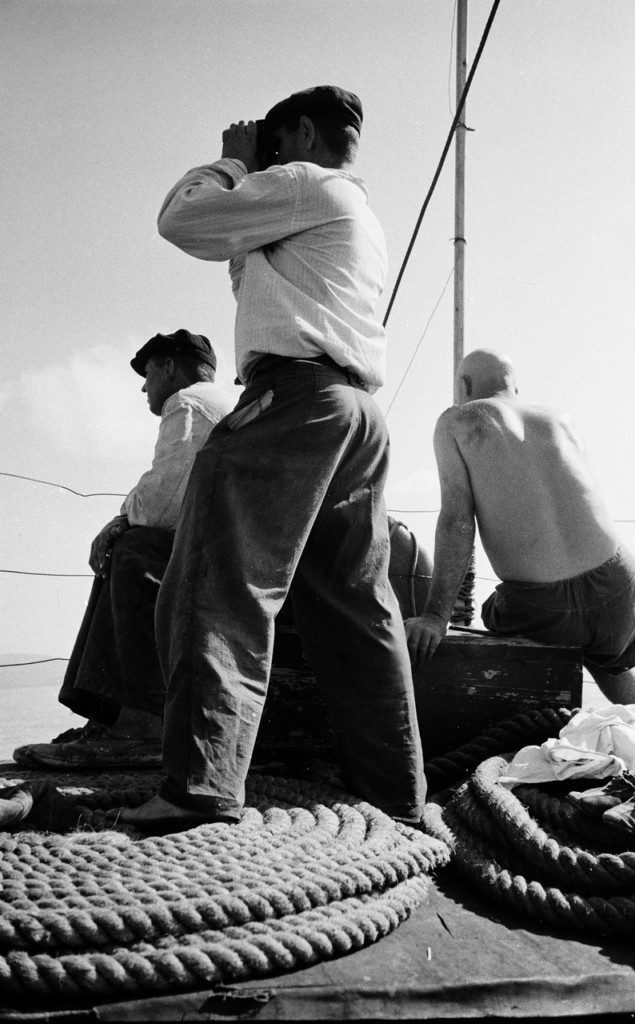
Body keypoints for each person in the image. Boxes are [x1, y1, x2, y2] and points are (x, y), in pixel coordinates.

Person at [120, 85, 426, 834]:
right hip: (355, 414)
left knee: (214, 584)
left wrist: (231, 160)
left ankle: (198, 788)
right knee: (357, 610)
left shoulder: (297, 182)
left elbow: (183, 221)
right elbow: (247, 266)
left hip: (291, 400)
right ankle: (397, 797)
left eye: (275, 140)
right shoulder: (355, 212)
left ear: (296, 134)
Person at [14, 329, 236, 769]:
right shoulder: (223, 404)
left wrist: (117, 522)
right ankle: (114, 718)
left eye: (149, 372)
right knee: (131, 545)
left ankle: (139, 724)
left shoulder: (188, 403)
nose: (143, 385)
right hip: (232, 549)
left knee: (130, 549)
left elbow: (160, 501)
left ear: (170, 368)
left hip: (219, 559)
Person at [405, 348, 635, 706]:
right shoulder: (560, 419)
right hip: (621, 590)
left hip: (544, 607)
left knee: (492, 611)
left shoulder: (457, 421)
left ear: (463, 386)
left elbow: (457, 521)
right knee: (603, 655)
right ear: (513, 387)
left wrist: (436, 615)